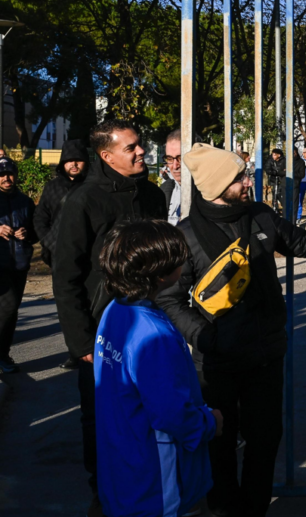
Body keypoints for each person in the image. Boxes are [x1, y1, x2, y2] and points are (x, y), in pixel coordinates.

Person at [157, 143, 306, 517]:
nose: (249, 181)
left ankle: (254, 510)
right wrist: (206, 337)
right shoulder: (187, 234)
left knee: (265, 441)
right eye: (240, 177)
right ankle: (225, 509)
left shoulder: (260, 215)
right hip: (216, 363)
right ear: (216, 185)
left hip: (265, 356)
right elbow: (169, 300)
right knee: (220, 443)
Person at [53, 119, 167, 517]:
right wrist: (82, 343)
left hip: (151, 327)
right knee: (100, 421)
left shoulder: (152, 195)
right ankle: (102, 493)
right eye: (131, 147)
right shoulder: (83, 201)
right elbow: (65, 276)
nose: (141, 152)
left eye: (141, 144)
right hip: (103, 333)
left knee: (152, 410)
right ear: (106, 155)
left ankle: (151, 487)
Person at [94, 220, 223, 517]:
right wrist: (209, 423)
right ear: (163, 272)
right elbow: (171, 413)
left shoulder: (115, 309)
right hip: (156, 482)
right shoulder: (154, 334)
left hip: (123, 465)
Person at [35, 139, 90, 369]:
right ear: (62, 163)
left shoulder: (92, 186)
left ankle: (91, 349)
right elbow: (40, 219)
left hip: (87, 255)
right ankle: (75, 351)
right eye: (69, 161)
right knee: (67, 305)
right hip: (59, 255)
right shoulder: (52, 188)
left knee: (88, 301)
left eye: (78, 160)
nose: (74, 164)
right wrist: (50, 242)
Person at [0, 158, 37, 374]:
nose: (6, 178)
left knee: (11, 312)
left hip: (20, 263)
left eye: (10, 173)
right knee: (8, 306)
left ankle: (4, 354)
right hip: (1, 263)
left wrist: (27, 234)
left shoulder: (25, 201)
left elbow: (35, 230)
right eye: (2, 174)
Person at [160, 129, 182, 225]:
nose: (175, 166)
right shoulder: (162, 191)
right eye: (169, 159)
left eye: (180, 158)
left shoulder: (210, 194)